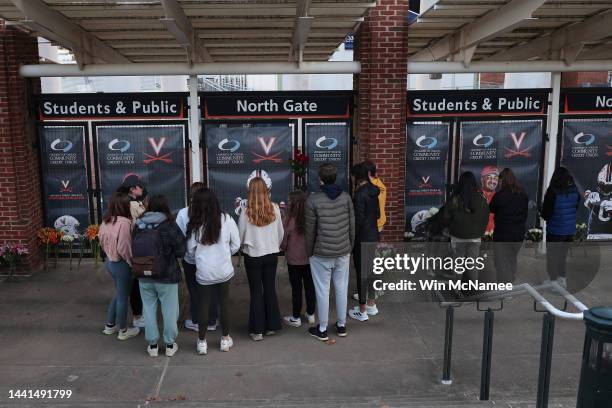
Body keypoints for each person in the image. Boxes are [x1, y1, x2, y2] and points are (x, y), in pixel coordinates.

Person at [187, 188, 240, 354]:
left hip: (204, 271)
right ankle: (225, 339)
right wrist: (225, 255)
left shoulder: (195, 224)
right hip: (223, 270)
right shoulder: (227, 219)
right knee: (224, 303)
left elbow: (190, 251)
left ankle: (202, 342)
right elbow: (236, 244)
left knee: (203, 305)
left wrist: (201, 259)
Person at [305, 164, 355, 341]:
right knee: (342, 287)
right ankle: (341, 326)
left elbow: (310, 231)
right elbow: (351, 226)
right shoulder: (346, 198)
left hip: (321, 253)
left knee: (322, 291)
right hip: (342, 251)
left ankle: (323, 328)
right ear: (336, 177)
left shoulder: (313, 200)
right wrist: (350, 246)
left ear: (320, 179)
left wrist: (309, 252)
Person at [133, 195, 186, 357]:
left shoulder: (138, 225)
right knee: (170, 310)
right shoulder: (169, 225)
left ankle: (153, 345)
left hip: (143, 275)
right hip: (167, 276)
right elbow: (181, 250)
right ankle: (170, 344)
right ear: (165, 207)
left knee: (148, 309)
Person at [238, 177, 284, 341]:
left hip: (253, 255)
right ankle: (272, 326)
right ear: (266, 191)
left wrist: (244, 246)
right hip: (271, 254)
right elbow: (281, 234)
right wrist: (272, 245)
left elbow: (240, 235)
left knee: (256, 291)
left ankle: (257, 330)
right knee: (270, 288)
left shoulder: (246, 211)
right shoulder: (275, 209)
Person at [176, 182, 219, 333]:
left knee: (194, 290)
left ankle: (196, 320)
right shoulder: (214, 214)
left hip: (191, 259)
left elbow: (179, 236)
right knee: (211, 289)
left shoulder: (183, 213)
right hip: (210, 259)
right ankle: (212, 320)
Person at [99, 192, 140, 341]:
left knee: (119, 294)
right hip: (123, 265)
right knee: (123, 297)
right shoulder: (125, 223)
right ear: (124, 206)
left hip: (110, 262)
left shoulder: (105, 221)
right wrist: (132, 264)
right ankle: (123, 330)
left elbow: (101, 241)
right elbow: (125, 248)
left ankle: (110, 326)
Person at [442, 172, 489, 288]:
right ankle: (472, 290)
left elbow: (446, 217)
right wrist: (480, 232)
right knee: (473, 264)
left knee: (457, 264)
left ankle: (456, 289)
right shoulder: (481, 198)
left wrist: (448, 230)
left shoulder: (455, 198)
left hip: (457, 237)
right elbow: (485, 217)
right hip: (475, 237)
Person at [348, 163, 380, 322]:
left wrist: (351, 236)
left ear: (358, 176)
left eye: (353, 175)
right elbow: (378, 214)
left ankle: (362, 310)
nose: (351, 177)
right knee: (371, 271)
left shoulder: (360, 194)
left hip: (362, 237)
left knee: (362, 273)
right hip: (373, 234)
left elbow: (358, 220)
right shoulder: (375, 191)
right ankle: (371, 304)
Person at [280, 191, 316, 328]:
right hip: (310, 259)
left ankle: (296, 317)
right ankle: (311, 314)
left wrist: (284, 248)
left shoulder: (288, 220)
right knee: (310, 287)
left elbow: (283, 241)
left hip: (293, 260)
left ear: (293, 204)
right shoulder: (311, 218)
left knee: (296, 288)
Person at [541, 167, 580, 286]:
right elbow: (576, 208)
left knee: (552, 257)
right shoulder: (575, 190)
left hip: (555, 231)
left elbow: (546, 214)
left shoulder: (552, 192)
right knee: (562, 257)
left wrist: (540, 210)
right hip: (569, 231)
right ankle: (562, 280)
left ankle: (552, 282)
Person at [116, 174, 146, 329]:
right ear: (133, 189)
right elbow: (143, 224)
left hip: (125, 248)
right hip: (134, 248)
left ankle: (136, 316)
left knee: (129, 287)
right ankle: (137, 317)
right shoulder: (134, 205)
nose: (143, 188)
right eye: (140, 186)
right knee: (135, 285)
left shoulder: (123, 201)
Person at [489, 168, 528, 284]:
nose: (498, 183)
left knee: (501, 262)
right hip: (518, 234)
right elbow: (525, 214)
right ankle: (509, 283)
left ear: (503, 181)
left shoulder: (500, 196)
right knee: (511, 259)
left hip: (503, 234)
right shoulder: (523, 193)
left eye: (500, 180)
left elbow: (491, 208)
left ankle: (504, 288)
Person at [583, 163, 612, 240]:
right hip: (604, 233)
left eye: (608, 187)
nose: (605, 189)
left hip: (594, 234)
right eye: (603, 186)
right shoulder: (593, 195)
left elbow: (587, 202)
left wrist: (588, 196)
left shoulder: (592, 195)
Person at [362, 160, 386, 232]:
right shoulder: (378, 184)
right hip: (377, 222)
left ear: (368, 173)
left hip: (373, 224)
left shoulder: (373, 188)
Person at [480, 166, 499, 234]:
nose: (492, 181)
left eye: (495, 178)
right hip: (477, 237)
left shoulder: (499, 197)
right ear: (482, 179)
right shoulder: (476, 195)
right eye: (489, 178)